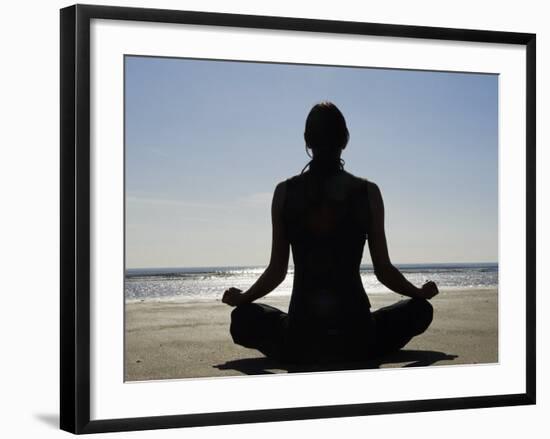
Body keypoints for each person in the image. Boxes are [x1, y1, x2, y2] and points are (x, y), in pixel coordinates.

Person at [222, 101, 438, 365]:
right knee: (420, 310)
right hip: (358, 336)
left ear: (306, 140)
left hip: (301, 337)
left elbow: (277, 272)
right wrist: (419, 293)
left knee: (242, 318)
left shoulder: (285, 193)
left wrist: (243, 299)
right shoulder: (368, 193)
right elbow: (383, 270)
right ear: (345, 139)